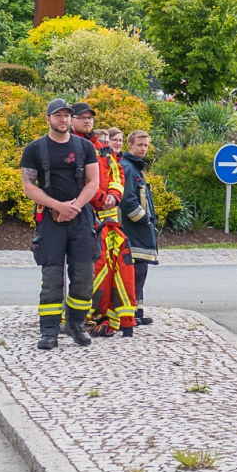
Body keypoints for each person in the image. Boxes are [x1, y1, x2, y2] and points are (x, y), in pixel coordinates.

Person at [19, 99, 100, 350]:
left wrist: (72, 208)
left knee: (84, 276)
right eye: (58, 115)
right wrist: (57, 206)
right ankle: (49, 330)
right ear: (48, 119)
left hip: (81, 217)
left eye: (67, 115)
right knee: (52, 277)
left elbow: (93, 182)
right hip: (50, 219)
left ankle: (75, 324)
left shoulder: (85, 147)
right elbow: (28, 186)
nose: (63, 119)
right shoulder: (34, 149)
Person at [72, 103, 137, 338]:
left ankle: (106, 316)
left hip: (107, 219)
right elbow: (76, 180)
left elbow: (116, 172)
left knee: (112, 268)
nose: (87, 121)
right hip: (81, 215)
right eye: (82, 117)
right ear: (71, 120)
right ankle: (77, 319)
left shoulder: (101, 146)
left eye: (90, 117)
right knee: (85, 269)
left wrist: (114, 195)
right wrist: (101, 198)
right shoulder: (69, 144)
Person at [119, 131, 159, 327]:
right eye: (140, 145)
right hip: (133, 233)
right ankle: (131, 313)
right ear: (130, 145)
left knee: (140, 271)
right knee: (135, 272)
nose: (143, 148)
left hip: (139, 232)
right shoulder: (128, 168)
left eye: (146, 145)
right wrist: (144, 220)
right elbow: (127, 201)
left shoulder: (135, 167)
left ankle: (138, 311)